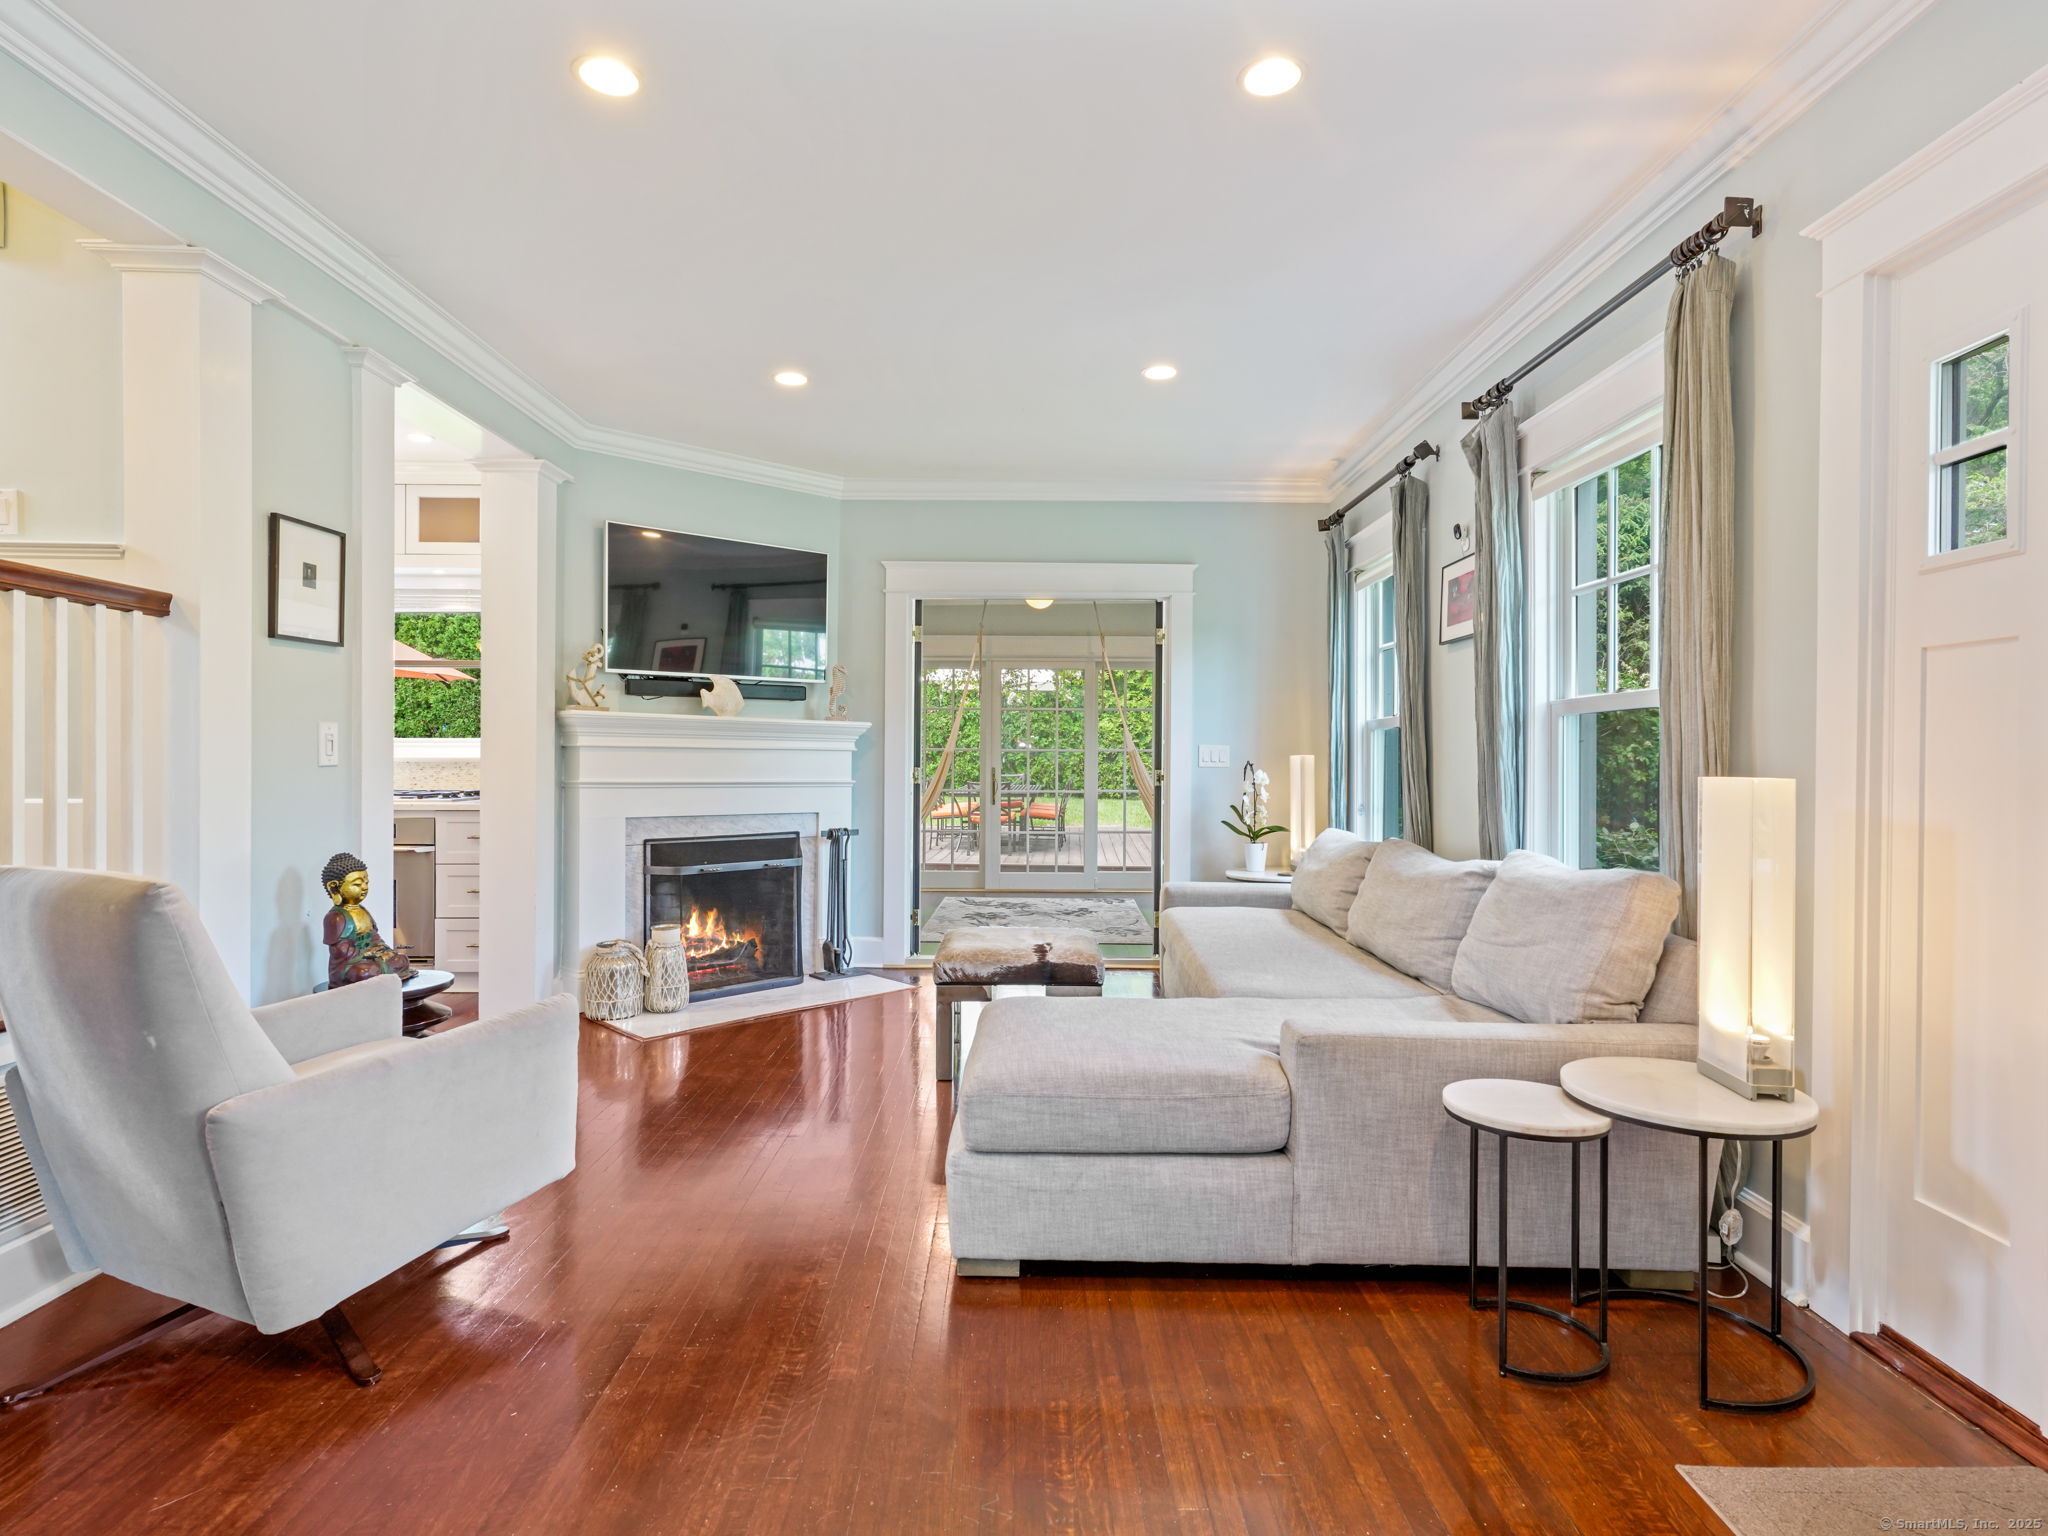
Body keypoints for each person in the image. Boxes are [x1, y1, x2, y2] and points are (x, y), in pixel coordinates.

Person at [320, 851, 417, 989]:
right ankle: (380, 973)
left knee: (401, 960)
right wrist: (367, 954)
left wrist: (383, 950)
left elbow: (374, 937)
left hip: (372, 958)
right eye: (357, 884)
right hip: (351, 964)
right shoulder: (336, 917)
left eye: (366, 882)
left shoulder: (363, 911)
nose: (364, 887)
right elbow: (339, 951)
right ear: (334, 887)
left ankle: (383, 972)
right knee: (362, 972)